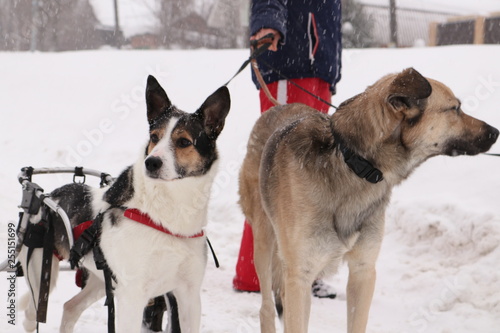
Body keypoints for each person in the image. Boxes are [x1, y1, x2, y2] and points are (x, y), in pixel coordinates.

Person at [233, 0, 342, 297]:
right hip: (289, 66)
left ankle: (299, 271)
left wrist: (329, 74)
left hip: (316, 71)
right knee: (279, 179)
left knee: (309, 180)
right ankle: (259, 275)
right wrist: (267, 23)